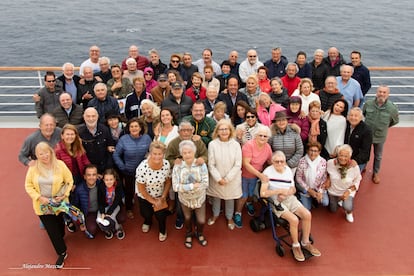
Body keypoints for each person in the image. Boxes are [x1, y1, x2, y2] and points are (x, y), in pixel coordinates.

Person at [261, 151, 321, 261]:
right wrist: (278, 192)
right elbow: (263, 193)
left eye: (282, 161)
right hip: (276, 200)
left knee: (307, 214)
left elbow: (293, 188)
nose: (279, 163)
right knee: (294, 220)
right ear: (272, 162)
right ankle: (296, 246)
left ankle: (305, 242)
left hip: (289, 198)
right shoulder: (267, 172)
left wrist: (289, 192)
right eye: (276, 161)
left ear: (285, 162)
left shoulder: (288, 170)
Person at [25, 142, 73, 268]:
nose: (44, 156)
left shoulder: (60, 165)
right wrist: (39, 197)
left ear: (51, 152)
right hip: (43, 206)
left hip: (58, 203)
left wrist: (64, 195)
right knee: (52, 230)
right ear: (37, 155)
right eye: (41, 154)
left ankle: (61, 234)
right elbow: (28, 185)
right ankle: (62, 252)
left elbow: (69, 181)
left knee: (59, 223)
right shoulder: (33, 168)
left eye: (46, 152)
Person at [165, 121, 208, 229]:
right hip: (181, 176)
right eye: (183, 130)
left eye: (188, 130)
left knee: (198, 200)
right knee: (180, 203)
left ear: (192, 130)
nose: (186, 133)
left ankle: (194, 217)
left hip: (196, 174)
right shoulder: (173, 143)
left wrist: (202, 159)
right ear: (179, 132)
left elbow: (205, 155)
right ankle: (180, 217)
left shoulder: (198, 141)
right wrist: (174, 161)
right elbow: (167, 158)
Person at [172, 140, 209, 249]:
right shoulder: (178, 166)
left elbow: (205, 183)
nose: (187, 155)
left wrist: (185, 187)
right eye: (184, 153)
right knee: (187, 218)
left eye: (189, 152)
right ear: (181, 154)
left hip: (199, 198)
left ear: (194, 152)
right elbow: (175, 187)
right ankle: (188, 233)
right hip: (185, 199)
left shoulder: (201, 164)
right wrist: (192, 187)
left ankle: (199, 233)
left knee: (201, 220)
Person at [113, 118, 152, 219]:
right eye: (131, 126)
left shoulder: (147, 138)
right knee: (129, 192)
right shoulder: (124, 139)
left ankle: (147, 209)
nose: (134, 128)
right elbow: (116, 155)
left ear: (140, 128)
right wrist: (122, 166)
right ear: (128, 128)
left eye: (136, 126)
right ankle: (129, 209)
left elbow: (151, 152)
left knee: (145, 191)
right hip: (129, 171)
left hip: (144, 172)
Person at [235, 125, 273, 228]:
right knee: (244, 195)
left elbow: (270, 161)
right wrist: (260, 175)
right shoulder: (248, 145)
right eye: (260, 135)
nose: (262, 138)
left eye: (265, 136)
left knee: (251, 193)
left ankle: (249, 204)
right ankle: (238, 213)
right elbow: (246, 164)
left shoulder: (268, 147)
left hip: (255, 176)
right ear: (255, 136)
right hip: (245, 174)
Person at [207, 119, 242, 230]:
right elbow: (211, 164)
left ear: (230, 130)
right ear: (217, 131)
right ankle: (215, 215)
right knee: (217, 197)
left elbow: (238, 164)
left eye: (226, 129)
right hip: (217, 178)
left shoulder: (236, 145)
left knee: (229, 199)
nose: (224, 132)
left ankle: (229, 217)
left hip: (231, 179)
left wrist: (227, 179)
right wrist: (218, 178)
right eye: (221, 129)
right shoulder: (212, 144)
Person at [363, 85, 399, 184]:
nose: (381, 94)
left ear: (388, 94)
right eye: (380, 92)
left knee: (378, 155)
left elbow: (394, 121)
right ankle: (363, 167)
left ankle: (376, 172)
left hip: (380, 136)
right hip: (367, 134)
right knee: (364, 152)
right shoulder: (368, 104)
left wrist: (383, 127)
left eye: (384, 92)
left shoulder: (392, 108)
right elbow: (364, 114)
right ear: (376, 92)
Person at [136, 141, 171, 242]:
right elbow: (141, 189)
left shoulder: (166, 164)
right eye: (154, 153)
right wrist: (153, 201)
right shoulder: (142, 168)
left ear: (163, 154)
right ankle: (148, 221)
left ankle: (162, 230)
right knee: (146, 214)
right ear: (150, 153)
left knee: (161, 216)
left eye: (160, 154)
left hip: (160, 194)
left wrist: (163, 197)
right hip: (145, 196)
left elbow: (168, 182)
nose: (157, 156)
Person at [325, 144, 362, 223]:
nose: (343, 158)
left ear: (350, 157)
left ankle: (349, 212)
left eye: (346, 156)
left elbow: (358, 179)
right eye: (341, 155)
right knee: (333, 210)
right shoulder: (330, 163)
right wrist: (328, 179)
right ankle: (339, 200)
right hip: (333, 191)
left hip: (346, 191)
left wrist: (349, 191)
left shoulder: (354, 167)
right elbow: (326, 173)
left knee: (348, 206)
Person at [78, 107, 115, 174]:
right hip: (88, 171)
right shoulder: (79, 132)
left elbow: (110, 150)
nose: (91, 119)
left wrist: (108, 169)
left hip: (104, 169)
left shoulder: (105, 130)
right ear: (84, 117)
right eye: (88, 116)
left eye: (93, 116)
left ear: (97, 116)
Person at [295, 142, 328, 210]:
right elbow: (298, 178)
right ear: (307, 151)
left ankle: (315, 198)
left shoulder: (323, 162)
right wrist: (309, 190)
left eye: (315, 151)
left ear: (319, 152)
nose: (313, 153)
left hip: (318, 188)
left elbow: (324, 178)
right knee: (307, 208)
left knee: (325, 202)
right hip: (307, 188)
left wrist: (320, 191)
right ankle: (309, 198)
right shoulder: (302, 161)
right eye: (311, 150)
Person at [97, 168, 125, 239]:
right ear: (103, 180)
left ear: (114, 179)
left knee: (111, 218)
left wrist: (109, 213)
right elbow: (100, 201)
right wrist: (102, 212)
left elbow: (117, 201)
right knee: (98, 219)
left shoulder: (118, 186)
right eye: (106, 180)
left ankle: (118, 229)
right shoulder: (101, 187)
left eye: (111, 179)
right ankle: (107, 230)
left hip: (114, 206)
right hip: (105, 206)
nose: (109, 182)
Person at [344, 107, 373, 171]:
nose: (353, 118)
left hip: (357, 159)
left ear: (361, 118)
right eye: (351, 115)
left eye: (356, 116)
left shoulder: (366, 131)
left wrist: (355, 161)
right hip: (345, 157)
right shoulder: (346, 125)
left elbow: (365, 151)